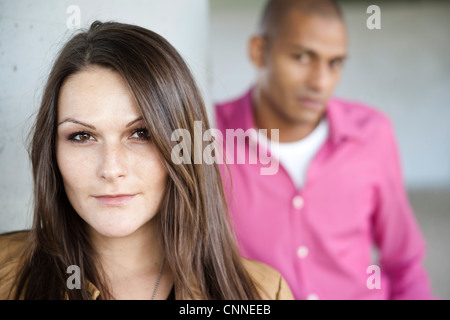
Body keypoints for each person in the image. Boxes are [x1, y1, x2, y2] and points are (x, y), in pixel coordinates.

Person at [0, 21, 294, 300]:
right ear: (50, 151)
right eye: (82, 137)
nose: (111, 169)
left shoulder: (264, 293)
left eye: (141, 134)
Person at [215, 0, 434, 299]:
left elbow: (404, 264)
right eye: (302, 57)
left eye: (335, 63)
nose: (320, 81)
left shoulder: (373, 134)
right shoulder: (209, 138)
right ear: (258, 51)